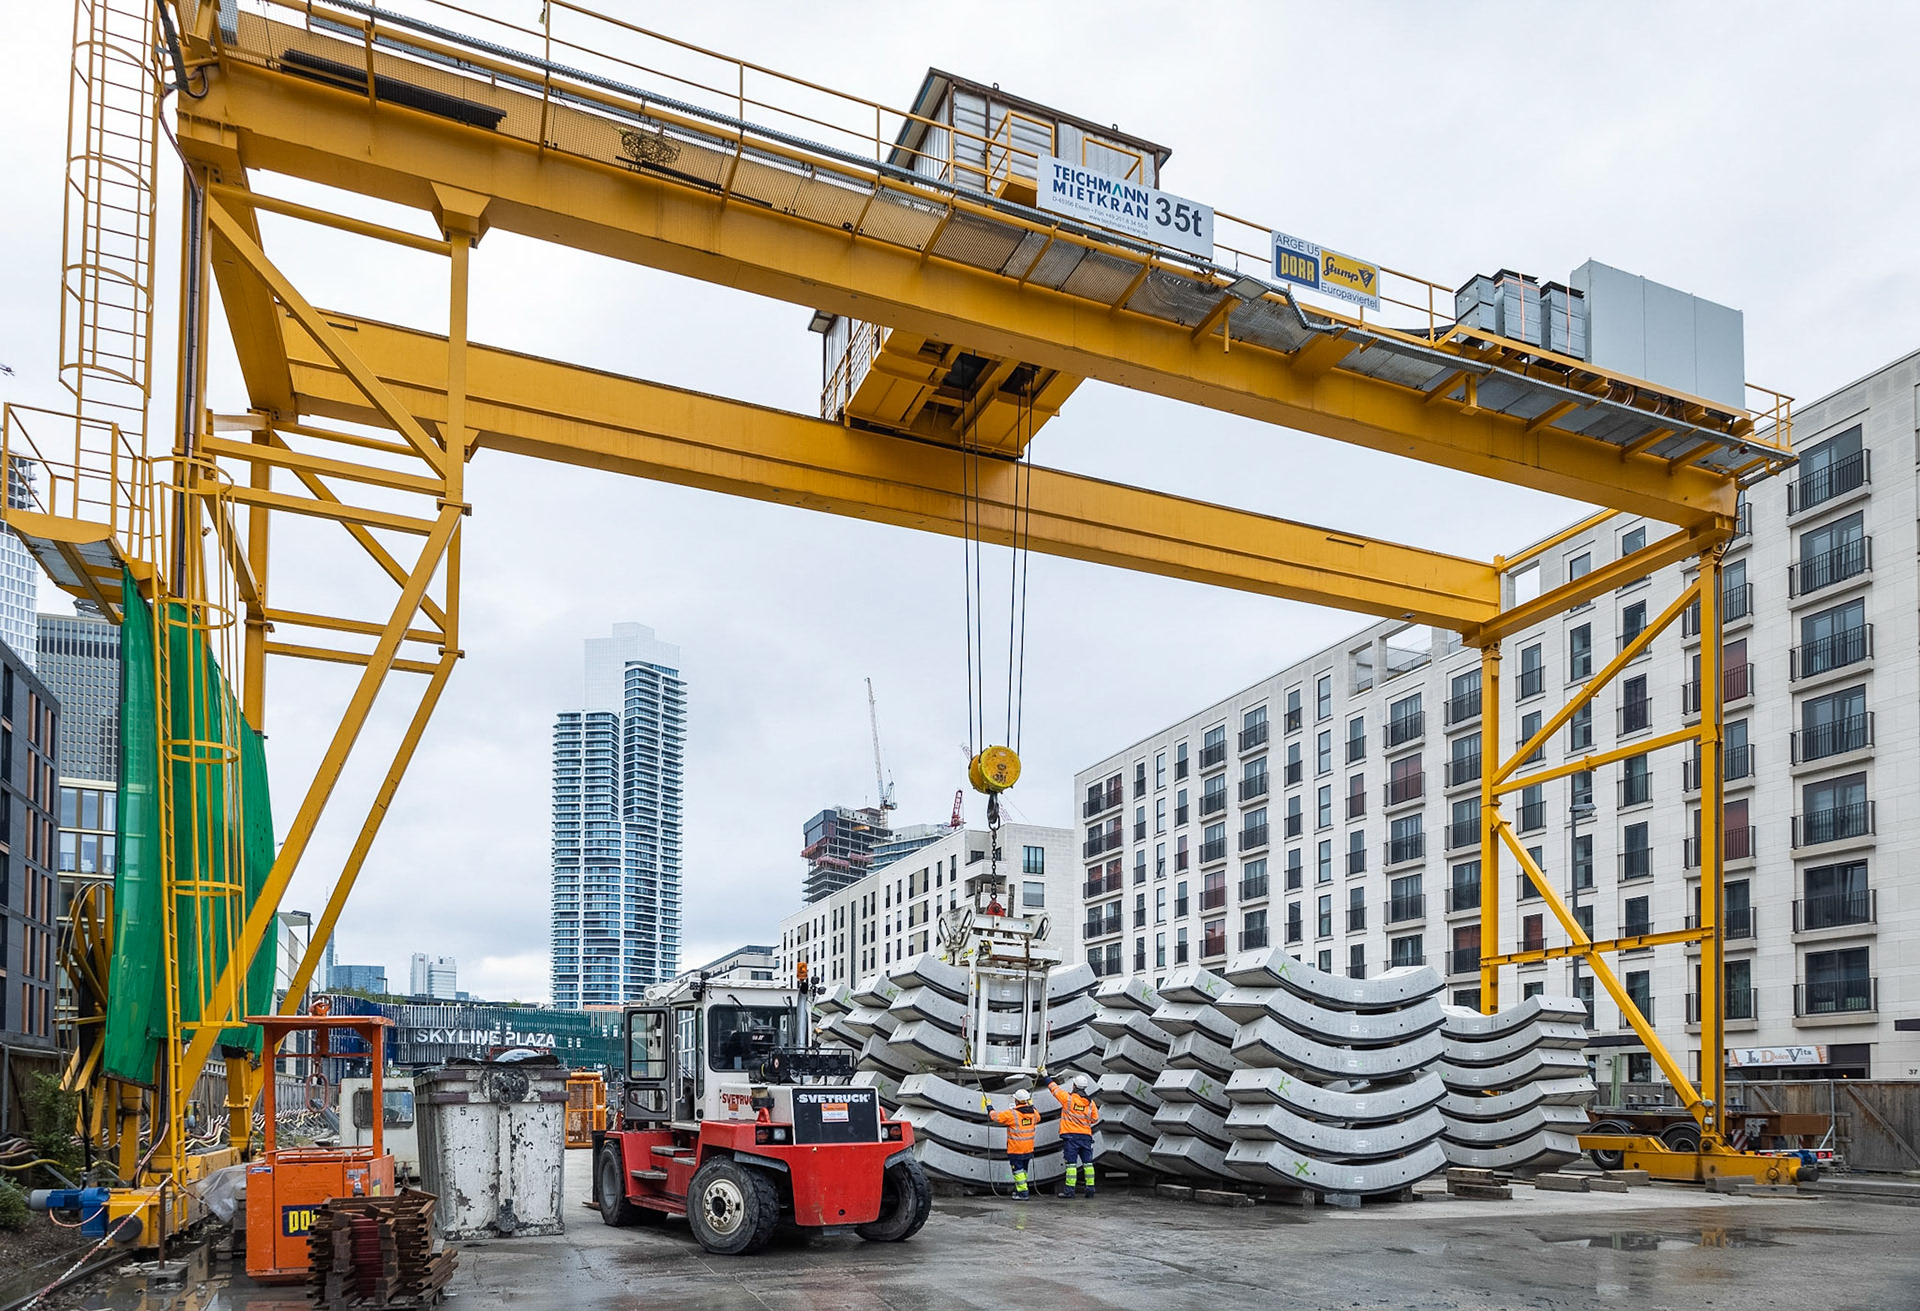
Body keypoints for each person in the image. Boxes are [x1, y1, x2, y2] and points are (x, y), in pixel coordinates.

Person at [1048, 1072, 1100, 1198]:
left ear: (1074, 1086)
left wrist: (1045, 1076)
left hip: (1071, 1137)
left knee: (1071, 1165)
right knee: (1088, 1164)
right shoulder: (1090, 1103)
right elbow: (1095, 1119)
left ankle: (1070, 1192)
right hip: (1086, 1137)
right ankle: (1090, 1190)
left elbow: (1054, 1089)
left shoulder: (1068, 1099)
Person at [983, 1088, 1041, 1199]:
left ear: (1017, 1101)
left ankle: (1023, 1193)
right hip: (1028, 1148)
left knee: (1018, 1171)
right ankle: (1020, 1191)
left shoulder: (1012, 1114)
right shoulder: (1034, 1114)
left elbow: (996, 1117)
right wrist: (1032, 1105)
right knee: (1023, 1171)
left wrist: (989, 1106)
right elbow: (1038, 1117)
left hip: (1016, 1149)